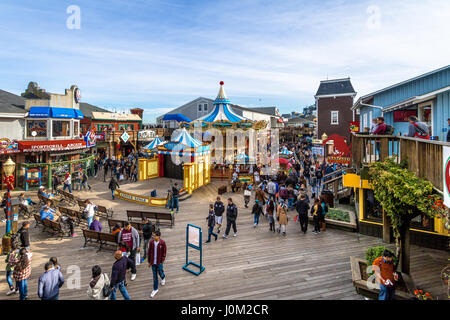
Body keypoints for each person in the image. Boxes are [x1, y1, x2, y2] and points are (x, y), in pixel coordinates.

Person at [148, 230, 167, 298]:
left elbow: (164, 252)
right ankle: (155, 289)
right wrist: (149, 261)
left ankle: (163, 277)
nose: (153, 237)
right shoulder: (151, 242)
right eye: (153, 235)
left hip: (159, 262)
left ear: (158, 236)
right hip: (153, 262)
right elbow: (149, 252)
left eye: (154, 236)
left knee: (160, 272)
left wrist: (162, 260)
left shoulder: (162, 243)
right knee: (154, 276)